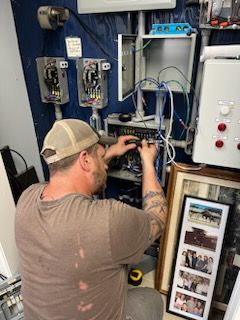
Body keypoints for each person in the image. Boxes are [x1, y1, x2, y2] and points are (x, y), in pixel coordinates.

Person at [15, 119, 168, 320]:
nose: (105, 158)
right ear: (85, 161)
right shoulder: (108, 219)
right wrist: (148, 163)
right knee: (151, 299)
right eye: (100, 153)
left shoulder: (26, 199)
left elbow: (68, 180)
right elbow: (158, 217)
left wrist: (108, 154)